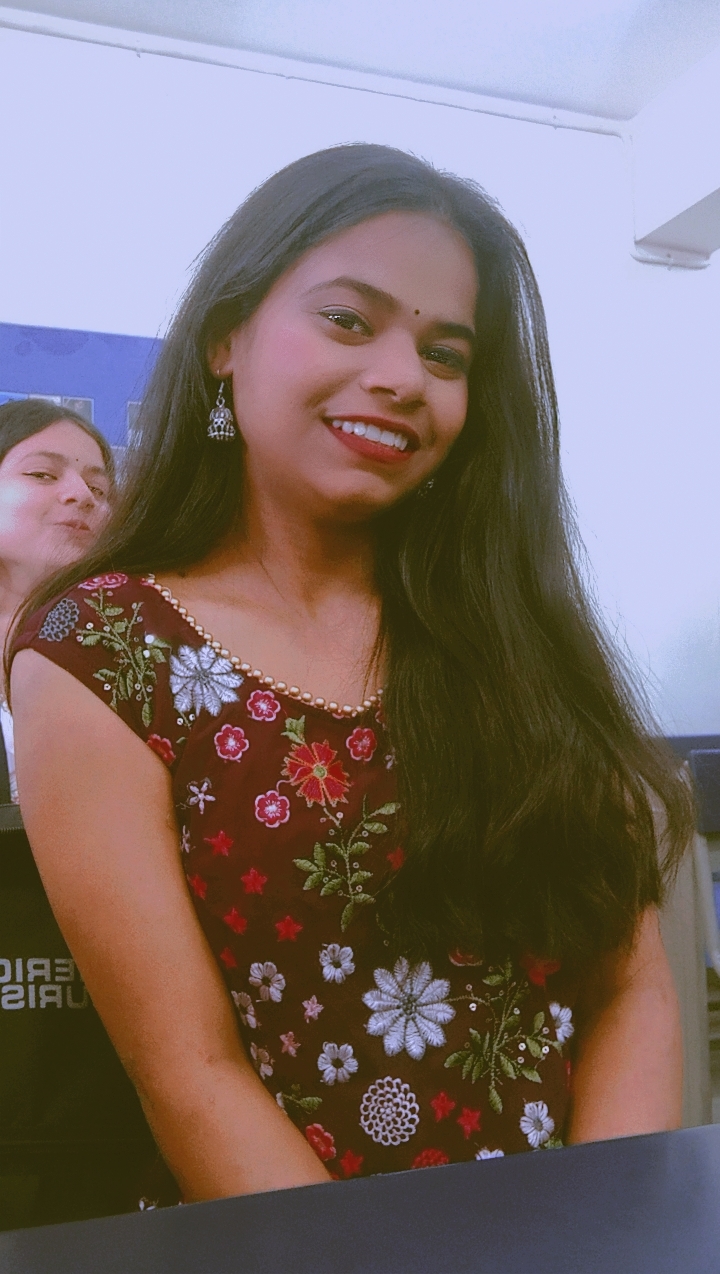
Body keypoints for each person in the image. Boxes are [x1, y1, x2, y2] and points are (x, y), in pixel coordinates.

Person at [9, 146, 693, 1203]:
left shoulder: (512, 628)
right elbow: (190, 1071)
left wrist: (607, 1236)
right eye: (347, 319)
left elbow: (629, 989)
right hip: (284, 1241)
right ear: (226, 337)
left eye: (447, 353)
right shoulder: (102, 647)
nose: (403, 377)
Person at [0, 399, 160, 1230]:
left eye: (100, 485)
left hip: (103, 1100)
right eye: (43, 472)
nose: (82, 495)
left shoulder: (146, 668)